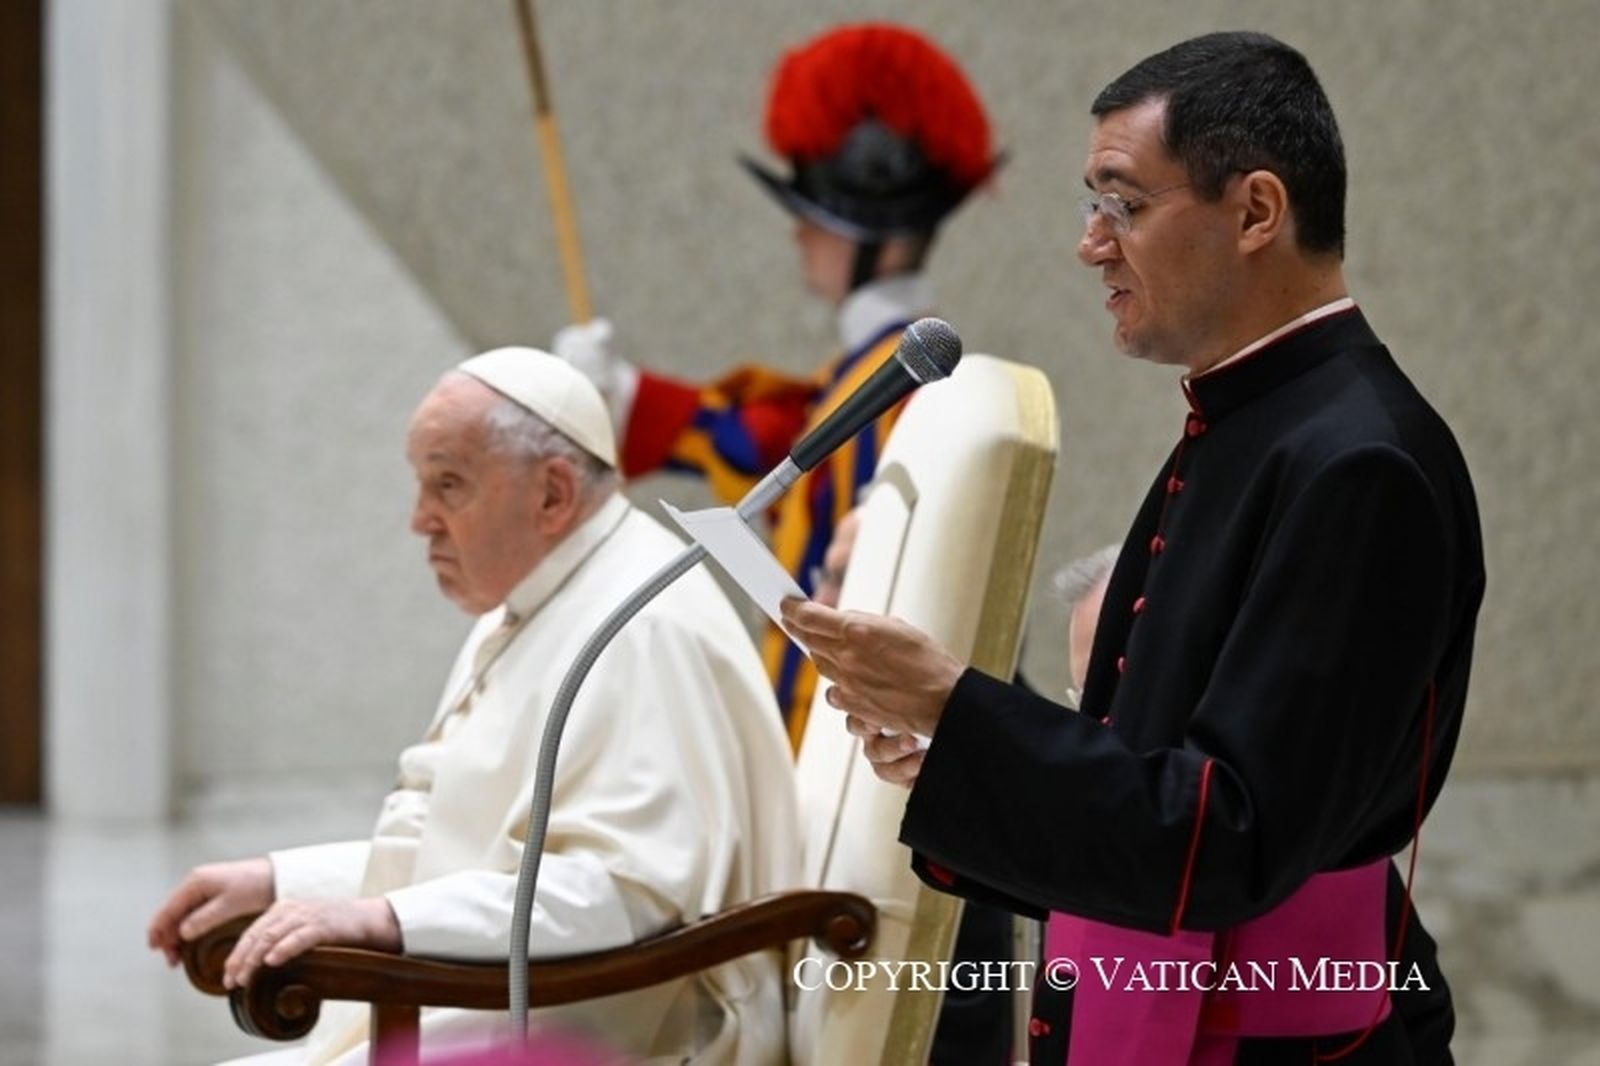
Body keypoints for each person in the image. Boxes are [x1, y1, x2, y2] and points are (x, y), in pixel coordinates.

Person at [783, 31, 1483, 1066]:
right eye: (1090, 202)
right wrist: (953, 755)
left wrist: (960, 711)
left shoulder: (1358, 463)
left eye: (1124, 202)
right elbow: (1159, 788)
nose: (1089, 242)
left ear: (1253, 212)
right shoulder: (1251, 420)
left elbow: (1229, 834)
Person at [148, 349, 798, 1065]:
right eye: (421, 484)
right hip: (491, 999)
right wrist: (280, 881)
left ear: (552, 495)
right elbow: (459, 844)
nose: (418, 520)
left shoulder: (640, 623)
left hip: (596, 1036)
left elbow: (624, 894)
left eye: (448, 485)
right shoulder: (534, 601)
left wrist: (379, 922)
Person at [553, 22, 1002, 743]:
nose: (798, 235)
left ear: (874, 238)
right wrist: (626, 395)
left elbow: (793, 478)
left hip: (838, 737)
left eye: (814, 220)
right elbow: (777, 449)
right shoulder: (862, 372)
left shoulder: (899, 382)